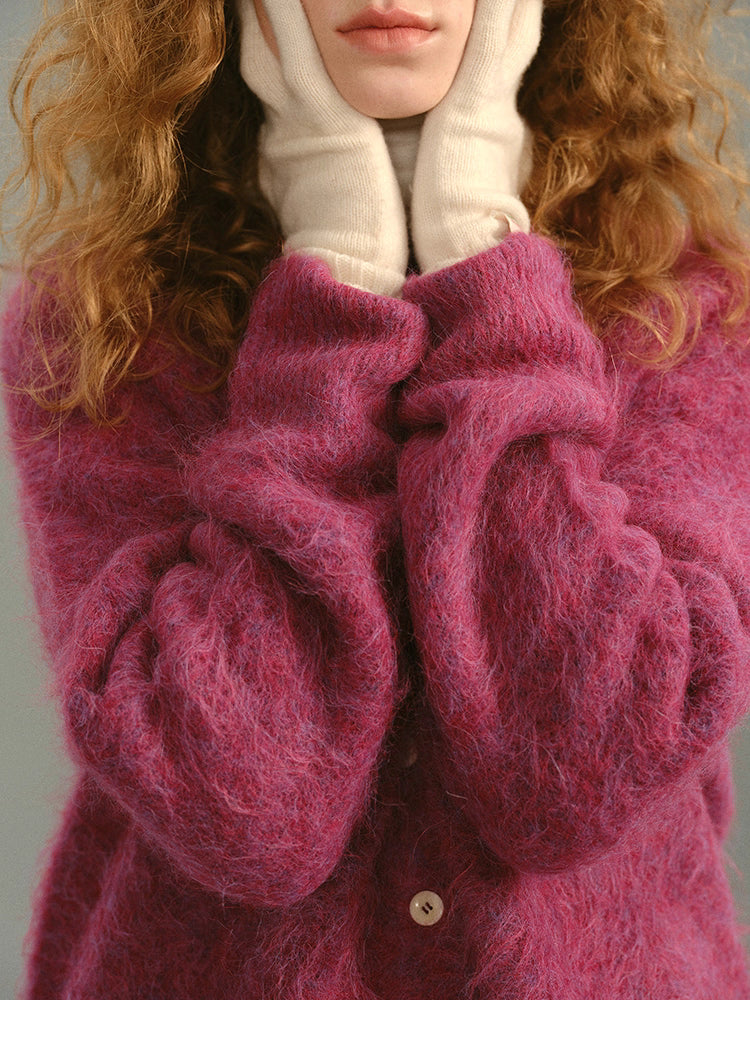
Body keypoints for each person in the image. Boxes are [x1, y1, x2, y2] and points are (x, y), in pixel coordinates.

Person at [1, 0, 750, 1000]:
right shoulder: (98, 331)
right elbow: (241, 806)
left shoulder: (688, 313)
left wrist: (482, 255)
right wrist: (337, 277)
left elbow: (575, 774)